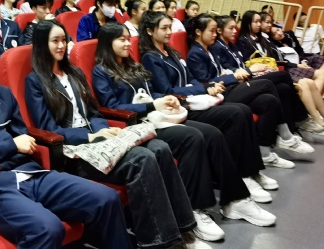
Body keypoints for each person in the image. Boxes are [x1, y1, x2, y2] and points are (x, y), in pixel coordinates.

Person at [0, 28, 132, 249]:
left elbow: (26, 142)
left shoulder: (2, 94)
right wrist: (10, 144)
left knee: (106, 198)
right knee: (48, 228)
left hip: (30, 172)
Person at [26, 20, 210, 249]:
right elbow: (47, 127)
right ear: (42, 44)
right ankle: (159, 242)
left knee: (160, 148)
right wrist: (89, 137)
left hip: (99, 140)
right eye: (55, 41)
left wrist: (102, 129)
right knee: (142, 159)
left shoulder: (74, 73)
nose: (62, 45)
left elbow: (94, 111)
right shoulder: (35, 80)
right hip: (74, 151)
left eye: (64, 40)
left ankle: (185, 229)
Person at [93, 23, 276, 234]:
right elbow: (112, 106)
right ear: (108, 43)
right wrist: (153, 105)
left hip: (159, 116)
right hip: (137, 124)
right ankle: (195, 209)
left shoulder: (131, 65)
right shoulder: (101, 71)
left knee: (213, 134)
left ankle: (235, 200)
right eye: (121, 39)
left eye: (128, 39)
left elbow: (151, 92)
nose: (127, 43)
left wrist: (166, 99)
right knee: (193, 137)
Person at [139, 11, 278, 203]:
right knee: (235, 114)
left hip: (195, 99)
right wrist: (200, 88)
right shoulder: (150, 57)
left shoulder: (171, 52)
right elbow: (167, 90)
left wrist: (206, 87)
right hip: (182, 106)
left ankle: (251, 172)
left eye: (170, 27)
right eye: (164, 28)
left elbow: (192, 78)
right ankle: (243, 176)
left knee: (243, 110)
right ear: (149, 31)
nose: (169, 32)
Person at [187, 13, 312, 165]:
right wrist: (235, 75)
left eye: (215, 31)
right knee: (268, 84)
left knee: (269, 101)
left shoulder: (210, 48)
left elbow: (220, 71)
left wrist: (230, 74)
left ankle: (265, 153)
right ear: (198, 32)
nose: (215, 34)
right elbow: (207, 82)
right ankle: (287, 135)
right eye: (212, 31)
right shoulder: (195, 54)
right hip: (221, 93)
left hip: (231, 85)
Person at [237, 10, 324, 143]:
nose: (259, 24)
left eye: (260, 21)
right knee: (291, 80)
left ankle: (299, 125)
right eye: (256, 22)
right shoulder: (242, 41)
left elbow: (275, 58)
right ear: (247, 23)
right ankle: (304, 119)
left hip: (272, 71)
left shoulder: (262, 39)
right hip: (258, 75)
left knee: (289, 87)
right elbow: (248, 61)